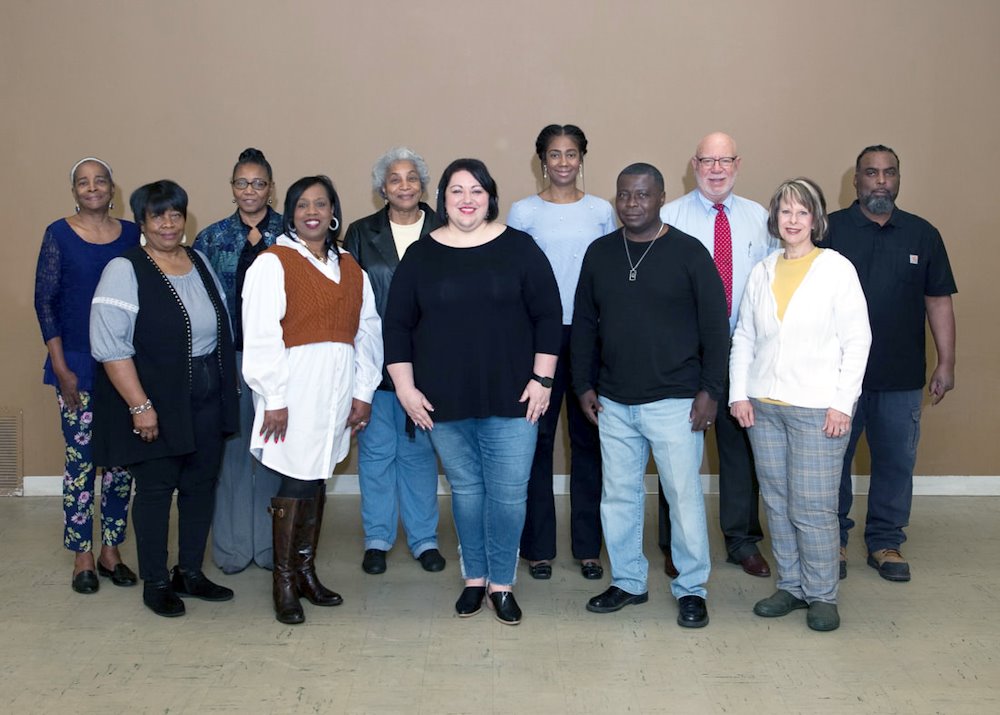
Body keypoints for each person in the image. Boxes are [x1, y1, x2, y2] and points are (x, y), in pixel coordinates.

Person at [383, 158, 561, 626]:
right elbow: (397, 325)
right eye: (457, 190)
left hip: (514, 399)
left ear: (490, 197)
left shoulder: (520, 248)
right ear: (442, 199)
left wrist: (542, 381)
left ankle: (502, 582)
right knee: (466, 492)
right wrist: (404, 389)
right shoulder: (422, 254)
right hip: (443, 402)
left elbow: (549, 316)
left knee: (507, 496)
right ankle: (474, 579)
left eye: (476, 190)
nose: (467, 199)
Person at [572, 163, 729, 628]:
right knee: (618, 496)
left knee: (682, 497)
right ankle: (627, 580)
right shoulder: (600, 253)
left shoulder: (689, 253)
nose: (631, 204)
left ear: (661, 198)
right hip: (614, 402)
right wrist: (583, 384)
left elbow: (715, 328)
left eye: (642, 195)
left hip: (677, 401)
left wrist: (711, 391)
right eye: (624, 195)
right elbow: (583, 324)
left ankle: (692, 587)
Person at [90, 180, 239, 618]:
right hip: (156, 400)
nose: (169, 223)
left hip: (207, 398)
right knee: (156, 491)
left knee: (199, 488)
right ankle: (155, 580)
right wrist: (140, 406)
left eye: (175, 213)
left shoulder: (198, 261)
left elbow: (217, 329)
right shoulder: (125, 268)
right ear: (142, 222)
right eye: (158, 215)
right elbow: (110, 345)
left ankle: (189, 572)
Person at [729, 178, 871, 632]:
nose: (792, 220)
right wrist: (738, 393)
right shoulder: (763, 270)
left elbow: (858, 340)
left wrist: (842, 404)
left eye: (802, 212)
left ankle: (822, 594)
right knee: (776, 502)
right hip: (764, 407)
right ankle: (791, 586)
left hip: (817, 409)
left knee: (812, 508)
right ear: (775, 218)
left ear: (817, 220)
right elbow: (745, 337)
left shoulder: (836, 270)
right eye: (785, 212)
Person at [242, 175, 382, 625]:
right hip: (294, 388)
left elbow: (368, 332)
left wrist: (363, 392)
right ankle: (283, 581)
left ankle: (305, 572)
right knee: (296, 481)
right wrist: (275, 398)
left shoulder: (350, 266)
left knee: (318, 478)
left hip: (337, 390)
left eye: (321, 203)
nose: (312, 211)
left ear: (333, 210)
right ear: (291, 213)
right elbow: (261, 335)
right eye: (302, 205)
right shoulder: (273, 262)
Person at [823, 145, 957, 582]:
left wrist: (946, 363)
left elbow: (937, 301)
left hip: (900, 377)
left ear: (898, 179)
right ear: (856, 180)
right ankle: (833, 541)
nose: (880, 180)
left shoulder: (922, 234)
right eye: (871, 173)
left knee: (896, 462)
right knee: (832, 462)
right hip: (838, 379)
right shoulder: (830, 230)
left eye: (889, 173)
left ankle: (885, 542)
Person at [658, 132, 779, 579]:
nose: (715, 169)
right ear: (694, 164)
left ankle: (742, 541)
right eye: (706, 160)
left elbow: (770, 286)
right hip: (683, 353)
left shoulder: (759, 218)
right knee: (677, 452)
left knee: (740, 452)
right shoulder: (669, 216)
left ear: (737, 163)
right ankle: (676, 544)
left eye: (724, 160)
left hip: (742, 352)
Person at [507, 124, 616, 581]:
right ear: (542, 161)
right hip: (540, 340)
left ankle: (588, 548)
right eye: (555, 155)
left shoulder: (601, 211)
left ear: (582, 158)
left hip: (591, 337)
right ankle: (539, 548)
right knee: (538, 443)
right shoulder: (522, 212)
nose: (564, 163)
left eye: (572, 154)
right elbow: (511, 275)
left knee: (588, 444)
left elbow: (613, 271)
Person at [34, 157, 139, 594]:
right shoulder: (58, 235)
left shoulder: (133, 234)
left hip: (125, 365)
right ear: (74, 191)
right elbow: (45, 302)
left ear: (112, 188)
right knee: (82, 464)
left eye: (100, 181)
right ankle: (82, 554)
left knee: (120, 463)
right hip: (76, 363)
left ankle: (111, 549)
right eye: (83, 182)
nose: (92, 187)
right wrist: (60, 366)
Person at [344, 148, 446, 576]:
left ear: (423, 184)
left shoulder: (445, 228)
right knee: (376, 452)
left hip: (432, 361)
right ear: (381, 188)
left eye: (411, 178)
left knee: (421, 455)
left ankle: (424, 539)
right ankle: (378, 538)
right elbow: (349, 298)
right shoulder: (360, 233)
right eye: (394, 179)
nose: (403, 185)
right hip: (377, 360)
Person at [194, 148, 284, 574]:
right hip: (226, 360)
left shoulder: (289, 234)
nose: (250, 191)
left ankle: (269, 547)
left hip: (278, 362)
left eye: (259, 183)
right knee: (230, 454)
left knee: (272, 453)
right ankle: (231, 550)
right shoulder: (210, 239)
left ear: (271, 188)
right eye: (241, 183)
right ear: (232, 188)